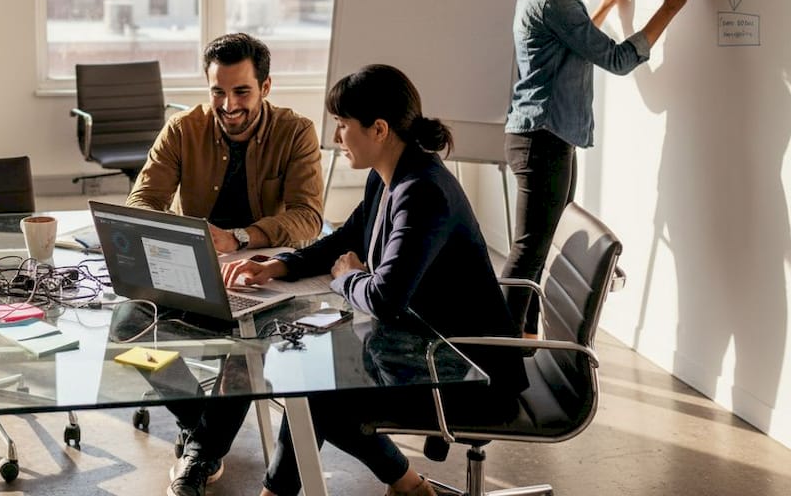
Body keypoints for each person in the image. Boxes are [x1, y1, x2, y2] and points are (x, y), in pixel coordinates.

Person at [223, 64, 526, 496]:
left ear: (379, 129)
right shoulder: (388, 177)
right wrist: (281, 265)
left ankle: (380, 486)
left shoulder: (423, 191)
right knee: (314, 378)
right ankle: (405, 486)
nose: (336, 138)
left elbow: (384, 298)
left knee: (317, 390)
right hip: (423, 348)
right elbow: (347, 238)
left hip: (468, 371)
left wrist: (348, 278)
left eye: (343, 126)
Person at [127, 32, 325, 496]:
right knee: (127, 327)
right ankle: (205, 433)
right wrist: (188, 240)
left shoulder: (295, 131)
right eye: (218, 91)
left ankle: (198, 453)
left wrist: (239, 236)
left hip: (263, 274)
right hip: (192, 267)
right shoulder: (182, 128)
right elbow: (142, 202)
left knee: (243, 347)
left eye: (241, 92)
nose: (229, 105)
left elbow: (308, 217)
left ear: (266, 87)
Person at [501, 0, 691, 338]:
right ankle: (500, 353)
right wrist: (669, 9)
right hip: (542, 138)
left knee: (539, 248)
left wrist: (603, 8)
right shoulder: (556, 1)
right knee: (530, 251)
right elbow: (620, 60)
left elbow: (572, 43)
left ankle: (523, 342)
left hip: (543, 135)